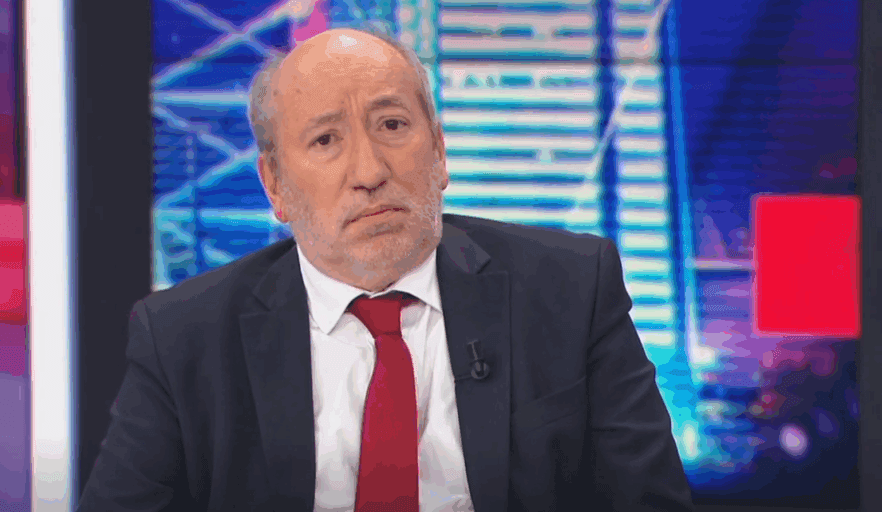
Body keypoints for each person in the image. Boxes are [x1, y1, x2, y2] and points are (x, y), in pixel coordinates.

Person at [78, 27, 694, 512]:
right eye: (326, 140)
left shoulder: (571, 288)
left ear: (440, 150)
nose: (369, 172)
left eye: (392, 125)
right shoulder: (182, 337)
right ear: (275, 185)